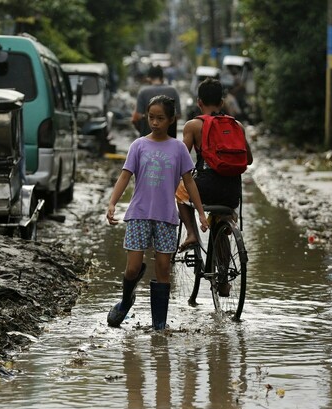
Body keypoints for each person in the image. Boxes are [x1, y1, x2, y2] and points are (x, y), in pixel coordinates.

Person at [107, 95, 208, 330]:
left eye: (160, 118)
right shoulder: (138, 145)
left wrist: (201, 213)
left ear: (171, 119)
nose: (155, 123)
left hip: (166, 217)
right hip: (139, 214)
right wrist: (112, 203)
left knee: (163, 268)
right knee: (132, 267)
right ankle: (125, 302)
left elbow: (189, 183)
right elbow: (125, 176)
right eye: (151, 117)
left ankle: (159, 327)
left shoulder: (179, 148)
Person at [175, 78, 253, 295]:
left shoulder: (193, 125)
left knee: (180, 191)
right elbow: (250, 159)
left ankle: (191, 233)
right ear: (221, 102)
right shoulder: (237, 126)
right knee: (221, 223)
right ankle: (225, 280)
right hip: (231, 191)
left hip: (205, 187)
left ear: (199, 102)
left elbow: (182, 160)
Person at [132, 65, 182, 138]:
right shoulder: (172, 91)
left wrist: (142, 129)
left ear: (149, 78)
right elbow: (178, 115)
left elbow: (136, 117)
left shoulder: (143, 92)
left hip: (147, 138)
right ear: (162, 78)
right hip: (169, 138)